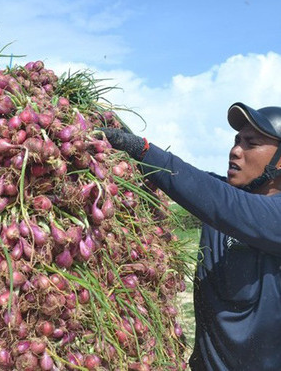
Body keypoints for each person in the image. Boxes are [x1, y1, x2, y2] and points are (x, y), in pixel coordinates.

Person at [101, 102, 281, 371]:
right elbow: (189, 182)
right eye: (236, 141)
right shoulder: (220, 197)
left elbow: (219, 201)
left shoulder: (267, 214)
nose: (235, 151)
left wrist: (143, 149)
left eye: (250, 143)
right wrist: (121, 137)